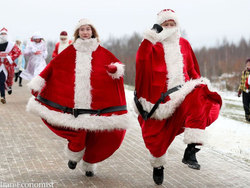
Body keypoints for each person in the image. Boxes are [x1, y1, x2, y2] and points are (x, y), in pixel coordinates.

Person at [26, 19, 130, 177]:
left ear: (93, 31)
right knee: (78, 134)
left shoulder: (102, 52)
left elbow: (116, 67)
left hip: (96, 106)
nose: (85, 32)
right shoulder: (70, 51)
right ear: (78, 33)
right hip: (73, 106)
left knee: (95, 137)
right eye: (82, 29)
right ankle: (74, 154)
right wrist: (38, 83)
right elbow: (53, 67)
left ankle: (89, 164)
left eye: (88, 29)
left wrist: (114, 69)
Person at [134, 9, 222, 185]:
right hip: (158, 104)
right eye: (165, 25)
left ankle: (192, 148)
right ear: (159, 27)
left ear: (176, 25)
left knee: (199, 92)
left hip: (182, 96)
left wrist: (200, 85)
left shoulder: (184, 44)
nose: (169, 27)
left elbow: (193, 71)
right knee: (155, 144)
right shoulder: (152, 46)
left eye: (171, 24)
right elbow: (140, 62)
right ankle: (158, 166)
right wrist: (149, 37)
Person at [0, 27, 21, 104]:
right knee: (1, 81)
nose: (3, 35)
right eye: (2, 34)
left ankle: (9, 86)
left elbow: (18, 52)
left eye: (4, 34)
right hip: (0, 64)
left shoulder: (11, 44)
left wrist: (10, 57)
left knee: (9, 78)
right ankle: (3, 96)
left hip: (7, 65)